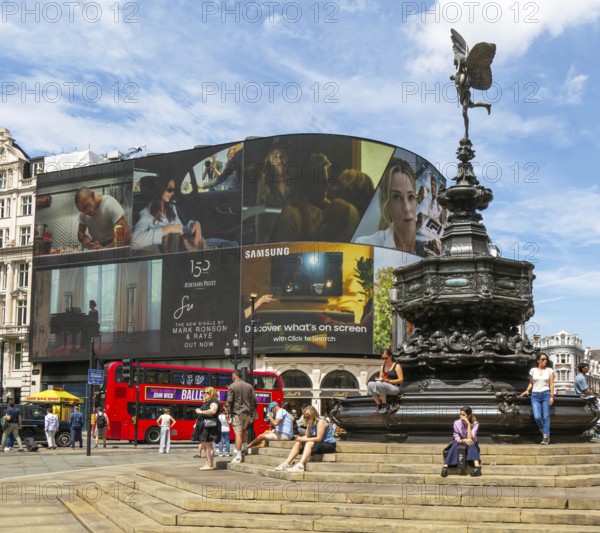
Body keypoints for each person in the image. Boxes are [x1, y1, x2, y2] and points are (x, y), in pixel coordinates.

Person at [355, 158, 418, 253]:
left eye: (411, 197)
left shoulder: (428, 243)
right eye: (396, 197)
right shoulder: (365, 245)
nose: (407, 208)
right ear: (385, 201)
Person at [132, 177, 204, 252]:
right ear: (160, 189)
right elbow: (134, 242)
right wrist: (168, 229)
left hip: (181, 248)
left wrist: (194, 224)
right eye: (169, 189)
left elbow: (181, 229)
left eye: (173, 190)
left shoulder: (172, 208)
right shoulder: (146, 213)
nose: (172, 193)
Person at [273, 406, 336, 472]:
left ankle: (300, 465)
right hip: (319, 443)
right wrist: (299, 438)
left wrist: (303, 439)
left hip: (329, 444)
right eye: (305, 417)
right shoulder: (309, 423)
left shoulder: (321, 422)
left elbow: (318, 438)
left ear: (313, 415)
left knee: (309, 443)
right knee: (298, 442)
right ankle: (286, 463)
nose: (306, 419)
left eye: (308, 417)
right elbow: (306, 436)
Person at [520, 352, 555, 444]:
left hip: (546, 394)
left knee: (546, 416)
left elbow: (551, 384)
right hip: (535, 395)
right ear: (538, 360)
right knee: (537, 416)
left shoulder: (550, 371)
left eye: (546, 359)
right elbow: (531, 383)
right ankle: (544, 431)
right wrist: (527, 391)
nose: (545, 361)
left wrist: (552, 396)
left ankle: (546, 437)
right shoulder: (533, 370)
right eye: (543, 359)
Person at [226, 369, 257, 464]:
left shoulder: (232, 386)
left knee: (238, 433)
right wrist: (252, 411)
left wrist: (227, 412)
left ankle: (238, 456)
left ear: (234, 376)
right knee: (244, 431)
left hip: (237, 413)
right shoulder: (249, 386)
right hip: (247, 413)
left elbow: (229, 401)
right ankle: (245, 449)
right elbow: (255, 401)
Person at [441, 406, 482, 477]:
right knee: (455, 444)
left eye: (463, 415)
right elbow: (457, 438)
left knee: (471, 443)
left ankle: (477, 468)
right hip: (460, 442)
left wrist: (469, 425)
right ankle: (445, 467)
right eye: (460, 414)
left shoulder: (475, 424)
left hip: (472, 443)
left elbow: (470, 438)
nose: (461, 416)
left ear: (468, 416)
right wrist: (464, 440)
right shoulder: (456, 423)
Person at [367, 348, 404, 413]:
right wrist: (380, 379)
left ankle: (385, 404)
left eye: (386, 358)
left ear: (391, 356)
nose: (384, 360)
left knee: (378, 383)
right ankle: (379, 404)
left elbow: (401, 380)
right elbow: (381, 378)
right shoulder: (382, 366)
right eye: (383, 358)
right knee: (370, 384)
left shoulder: (397, 366)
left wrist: (388, 381)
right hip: (384, 386)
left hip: (394, 388)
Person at [195, 387, 221, 470]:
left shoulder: (214, 401)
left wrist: (201, 412)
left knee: (209, 446)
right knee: (207, 445)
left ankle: (209, 464)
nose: (205, 394)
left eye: (207, 393)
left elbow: (213, 411)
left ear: (212, 393)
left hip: (210, 425)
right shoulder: (208, 402)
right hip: (206, 425)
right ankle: (207, 463)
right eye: (204, 392)